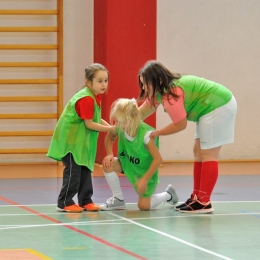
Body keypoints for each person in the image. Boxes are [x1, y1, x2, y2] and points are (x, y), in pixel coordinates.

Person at [138, 60, 237, 214]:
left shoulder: (171, 94)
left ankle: (204, 201)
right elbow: (142, 111)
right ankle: (197, 197)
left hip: (218, 105)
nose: (143, 88)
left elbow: (180, 125)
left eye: (145, 84)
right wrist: (124, 124)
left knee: (208, 154)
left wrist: (158, 133)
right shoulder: (160, 90)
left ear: (157, 81)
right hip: (208, 107)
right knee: (198, 152)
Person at [47, 63, 116, 213]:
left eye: (106, 80)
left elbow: (95, 119)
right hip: (71, 143)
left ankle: (86, 200)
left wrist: (110, 127)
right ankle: (65, 201)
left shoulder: (94, 97)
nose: (104, 84)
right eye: (99, 81)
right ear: (88, 82)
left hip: (81, 144)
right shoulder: (86, 98)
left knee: (85, 171)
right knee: (74, 173)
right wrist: (110, 129)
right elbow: (90, 124)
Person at [99, 98, 178, 211]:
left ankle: (168, 194)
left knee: (143, 206)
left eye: (123, 122)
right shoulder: (122, 126)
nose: (119, 125)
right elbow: (109, 137)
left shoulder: (146, 135)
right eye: (117, 121)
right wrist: (109, 154)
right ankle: (118, 199)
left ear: (134, 118)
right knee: (108, 164)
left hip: (144, 171)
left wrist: (145, 179)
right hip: (127, 163)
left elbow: (158, 159)